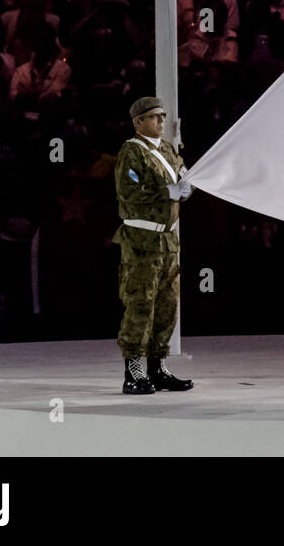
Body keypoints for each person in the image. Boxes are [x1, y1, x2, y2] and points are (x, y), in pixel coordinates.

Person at [113, 97, 195, 395]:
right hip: (141, 241)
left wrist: (185, 189)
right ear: (138, 122)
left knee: (166, 306)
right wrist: (168, 191)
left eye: (162, 116)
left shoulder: (167, 151)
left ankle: (157, 368)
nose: (160, 122)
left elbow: (183, 179)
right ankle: (133, 372)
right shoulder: (132, 152)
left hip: (168, 240)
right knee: (140, 303)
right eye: (153, 117)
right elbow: (129, 191)